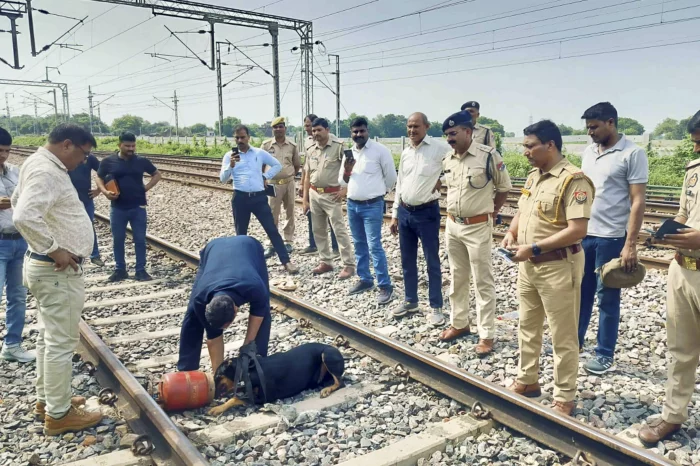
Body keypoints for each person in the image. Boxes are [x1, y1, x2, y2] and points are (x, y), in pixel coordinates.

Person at [12, 123, 103, 435]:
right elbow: (22, 214)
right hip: (56, 272)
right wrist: (54, 249)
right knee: (62, 344)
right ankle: (60, 415)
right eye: (84, 153)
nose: (84, 161)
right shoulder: (46, 170)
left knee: (48, 340)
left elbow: (15, 200)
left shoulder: (37, 164)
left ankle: (48, 400)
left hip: (45, 271)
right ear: (68, 145)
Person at [501, 120, 594, 416]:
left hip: (557, 266)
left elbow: (578, 229)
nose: (525, 151)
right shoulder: (534, 177)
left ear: (550, 145)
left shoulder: (573, 180)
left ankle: (564, 394)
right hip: (528, 266)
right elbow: (522, 210)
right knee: (527, 326)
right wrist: (512, 233)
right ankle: (528, 380)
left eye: (530, 146)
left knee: (562, 334)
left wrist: (536, 247)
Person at [638, 110, 700, 446]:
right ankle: (673, 415)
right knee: (681, 349)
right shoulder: (694, 170)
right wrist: (668, 231)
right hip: (682, 270)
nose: (695, 151)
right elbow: (684, 212)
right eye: (694, 144)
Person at [578, 102, 648, 375]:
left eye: (594, 127)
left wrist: (630, 244)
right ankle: (575, 342)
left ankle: (604, 354)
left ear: (611, 122)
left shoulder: (632, 153)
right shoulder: (588, 152)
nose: (590, 133)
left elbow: (638, 200)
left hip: (611, 238)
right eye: (588, 128)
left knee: (607, 297)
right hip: (585, 235)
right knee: (579, 294)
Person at [439, 111, 512, 356]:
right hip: (452, 225)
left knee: (482, 281)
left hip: (478, 227)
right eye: (447, 134)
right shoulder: (448, 159)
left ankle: (486, 334)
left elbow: (503, 188)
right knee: (457, 278)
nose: (449, 138)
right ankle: (459, 323)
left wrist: (492, 212)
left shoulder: (488, 156)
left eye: (453, 133)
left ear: (468, 131)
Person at [177, 236, 273, 373]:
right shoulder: (201, 299)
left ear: (235, 310)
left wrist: (246, 352)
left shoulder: (255, 288)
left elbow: (258, 314)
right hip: (213, 249)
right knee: (192, 313)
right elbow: (213, 338)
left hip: (249, 246)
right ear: (207, 307)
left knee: (264, 311)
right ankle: (186, 368)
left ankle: (255, 364)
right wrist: (219, 375)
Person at [390, 112, 451, 326]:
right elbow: (400, 182)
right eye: (409, 126)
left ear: (426, 126)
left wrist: (443, 179)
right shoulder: (406, 152)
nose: (412, 130)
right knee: (407, 261)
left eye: (416, 126)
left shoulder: (439, 147)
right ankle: (411, 301)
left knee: (431, 261)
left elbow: (458, 164)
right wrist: (395, 214)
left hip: (427, 213)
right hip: (406, 212)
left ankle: (436, 306)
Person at [220, 125, 298, 275]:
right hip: (240, 198)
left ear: (249, 137)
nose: (240, 140)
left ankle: (286, 261)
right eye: (237, 137)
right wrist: (230, 166)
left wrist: (265, 177)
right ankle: (242, 264)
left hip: (259, 198)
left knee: (272, 229)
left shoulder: (259, 153)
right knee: (241, 233)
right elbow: (223, 179)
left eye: (242, 137)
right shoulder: (229, 156)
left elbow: (277, 165)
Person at [339, 116, 397, 304]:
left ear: (368, 131)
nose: (358, 134)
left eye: (362, 131)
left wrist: (378, 194)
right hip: (352, 205)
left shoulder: (380, 151)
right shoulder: (349, 154)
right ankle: (365, 279)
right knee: (359, 243)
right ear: (351, 133)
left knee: (374, 246)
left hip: (372, 205)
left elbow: (391, 178)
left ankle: (384, 285)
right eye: (355, 132)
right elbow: (342, 182)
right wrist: (347, 171)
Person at [96, 132, 162, 282]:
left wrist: (146, 188)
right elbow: (99, 177)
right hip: (117, 207)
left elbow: (157, 174)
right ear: (119, 145)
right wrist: (105, 192)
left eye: (133, 145)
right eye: (127, 146)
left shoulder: (141, 161)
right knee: (118, 239)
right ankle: (120, 270)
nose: (131, 148)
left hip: (138, 207)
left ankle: (140, 270)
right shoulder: (108, 161)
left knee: (139, 240)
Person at [302, 118, 355, 278]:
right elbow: (306, 176)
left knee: (339, 230)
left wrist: (344, 190)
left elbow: (351, 169)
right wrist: (305, 200)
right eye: (313, 130)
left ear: (327, 129)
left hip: (332, 195)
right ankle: (326, 261)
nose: (315, 133)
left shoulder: (339, 147)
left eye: (319, 130)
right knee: (318, 230)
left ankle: (349, 264)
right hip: (314, 193)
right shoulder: (311, 149)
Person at [0, 127, 32, 363]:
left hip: (19, 242)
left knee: (18, 297)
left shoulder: (14, 172)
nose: (3, 155)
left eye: (7, 151)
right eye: (0, 150)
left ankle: (12, 345)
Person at [300, 114, 339, 256]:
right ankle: (314, 245)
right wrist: (302, 185)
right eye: (306, 127)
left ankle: (336, 248)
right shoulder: (307, 143)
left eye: (310, 126)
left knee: (332, 220)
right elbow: (307, 166)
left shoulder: (333, 142)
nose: (309, 130)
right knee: (313, 218)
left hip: (329, 190)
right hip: (313, 187)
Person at [261, 117, 301, 258]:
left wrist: (289, 177)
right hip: (272, 184)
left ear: (285, 128)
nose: (278, 129)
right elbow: (261, 165)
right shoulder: (266, 145)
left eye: (281, 126)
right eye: (275, 127)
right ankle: (271, 244)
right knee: (272, 215)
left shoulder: (292, 146)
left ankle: (288, 241)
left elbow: (297, 165)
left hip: (289, 183)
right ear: (273, 129)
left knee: (290, 212)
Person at [68, 151, 104, 267]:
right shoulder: (64, 157)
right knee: (69, 228)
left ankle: (95, 255)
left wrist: (99, 190)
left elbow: (103, 172)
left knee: (89, 226)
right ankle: (73, 256)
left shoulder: (90, 158)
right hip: (68, 201)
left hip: (86, 198)